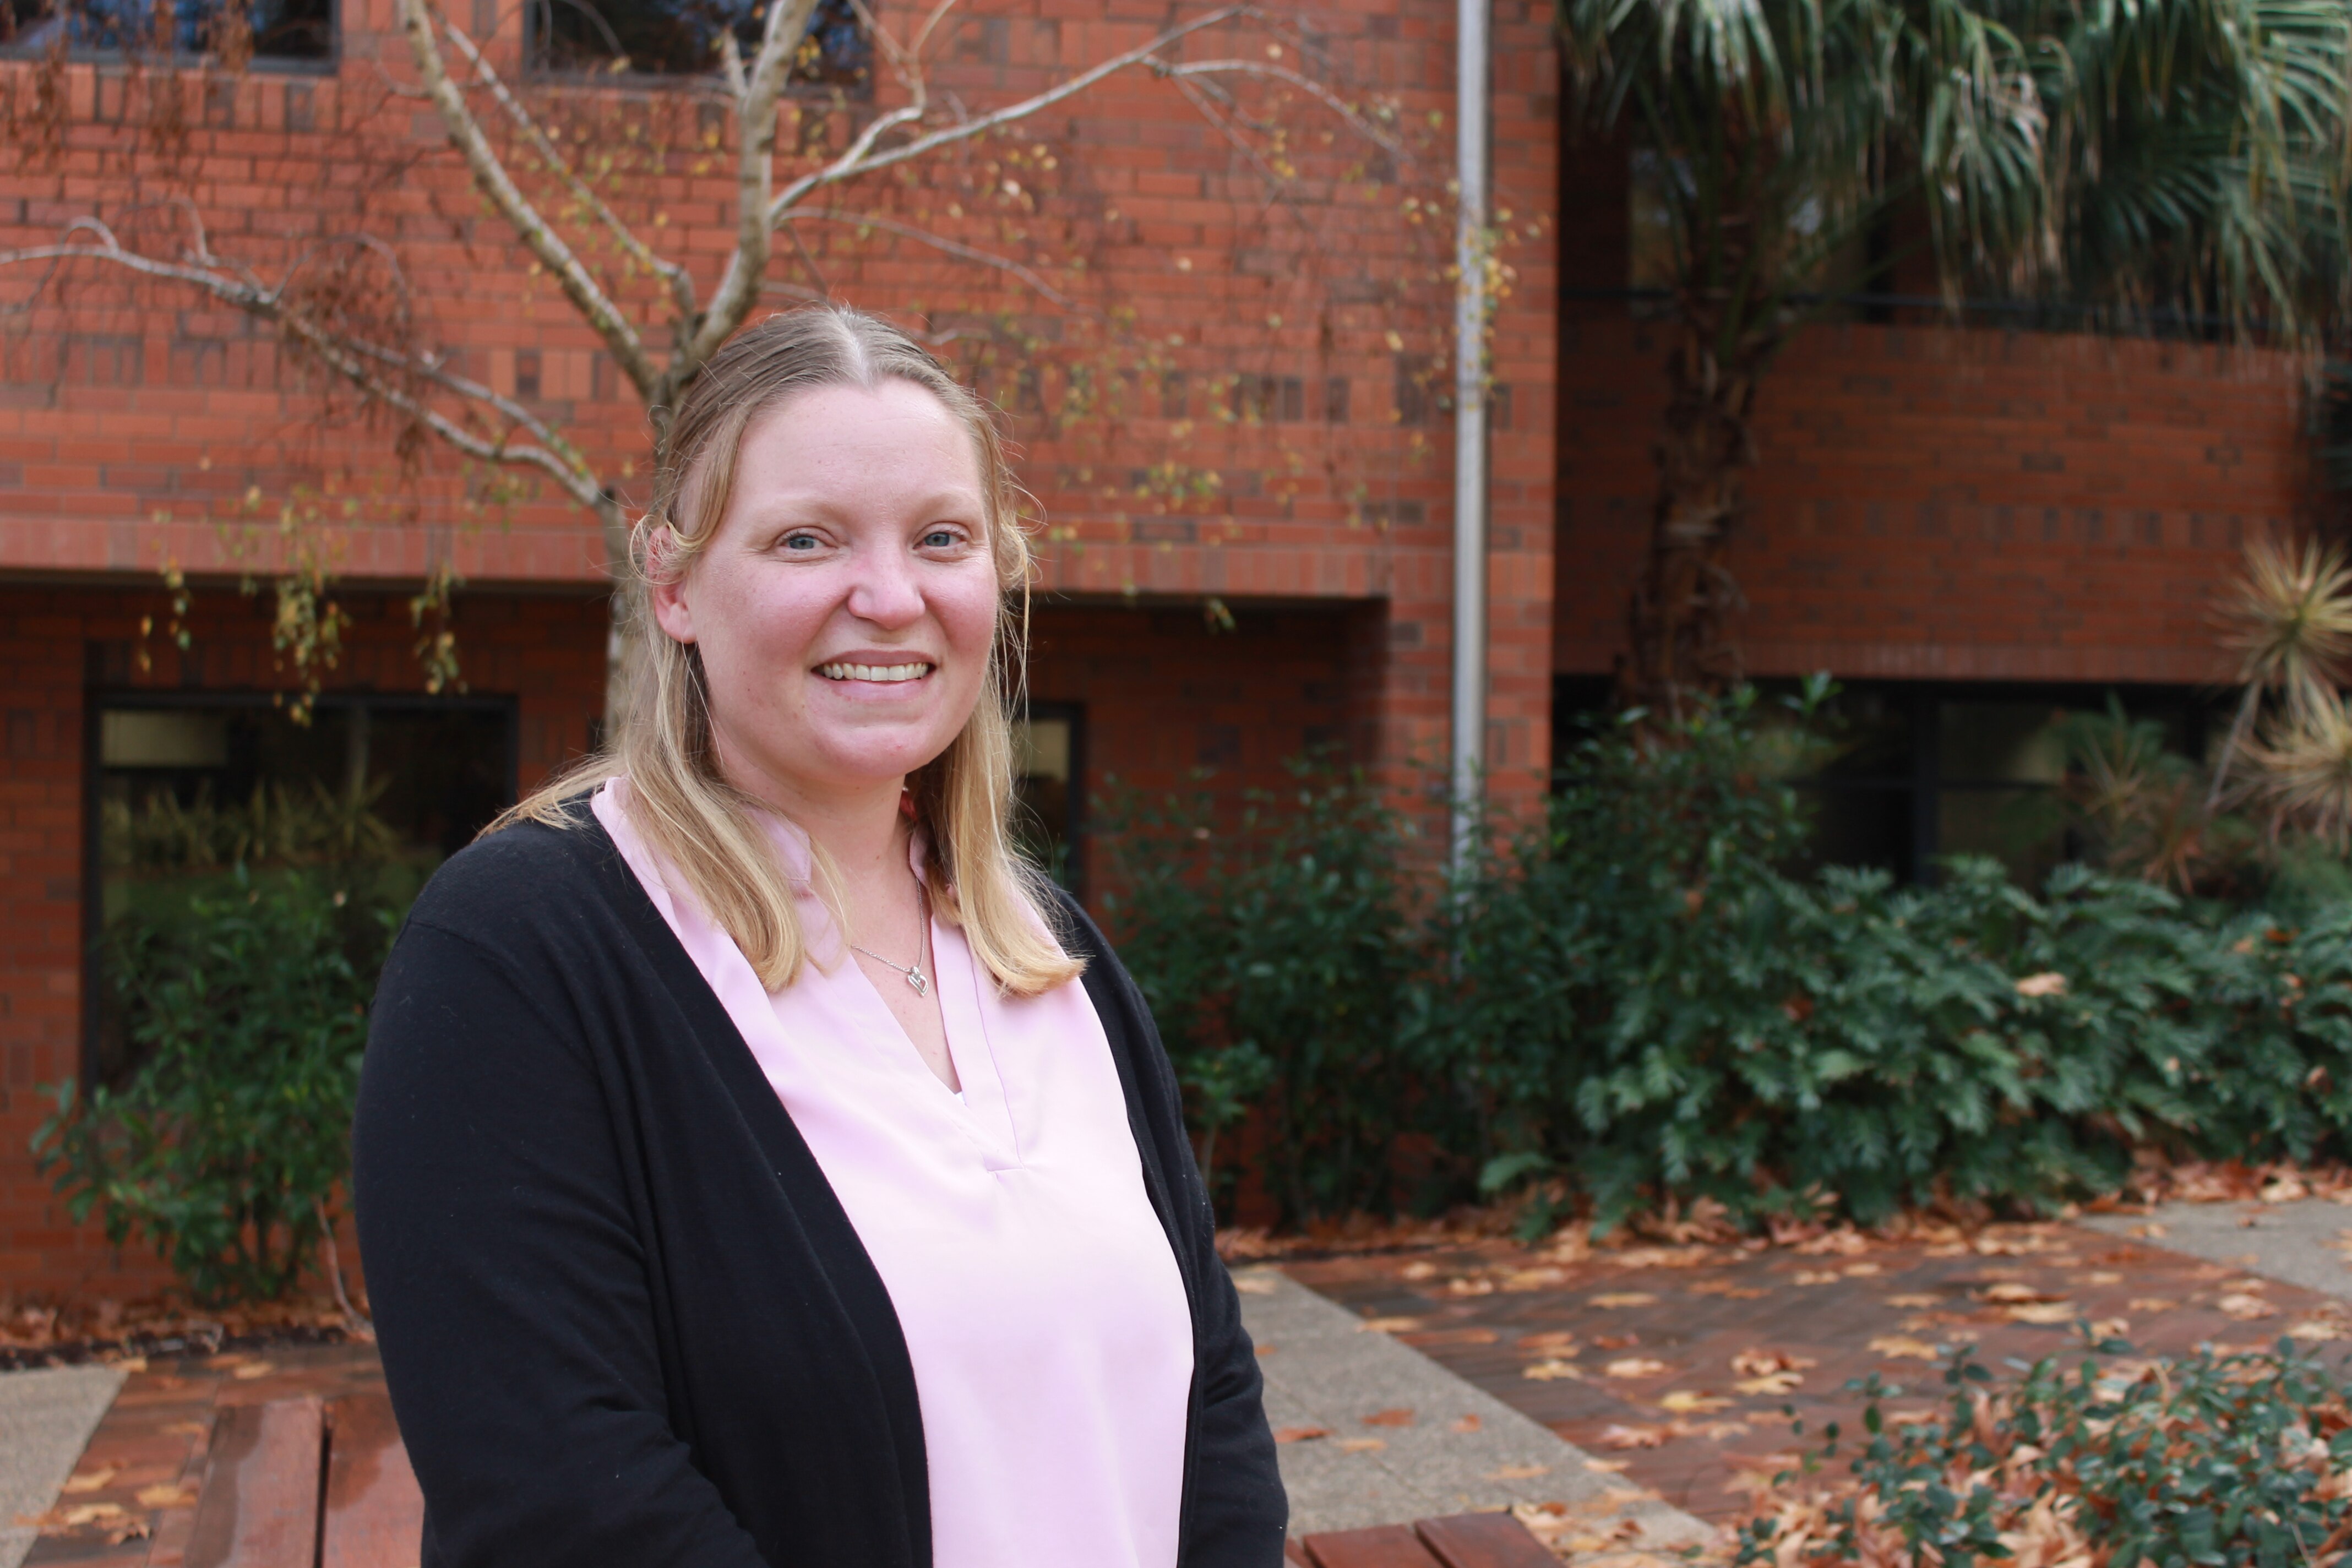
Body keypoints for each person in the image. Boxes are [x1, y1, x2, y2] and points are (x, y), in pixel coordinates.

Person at [352, 305, 1287, 1568]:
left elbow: (1212, 1398)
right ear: (672, 582)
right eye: (808, 538)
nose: (891, 597)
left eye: (942, 538)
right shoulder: (520, 955)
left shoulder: (1047, 950)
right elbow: (560, 1499)